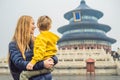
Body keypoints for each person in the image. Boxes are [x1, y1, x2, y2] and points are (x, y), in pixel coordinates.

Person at [8, 15, 58, 80]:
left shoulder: (37, 40)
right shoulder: (14, 44)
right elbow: (19, 63)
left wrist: (52, 59)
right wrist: (42, 64)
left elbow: (52, 54)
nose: (35, 27)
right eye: (33, 24)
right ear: (25, 25)